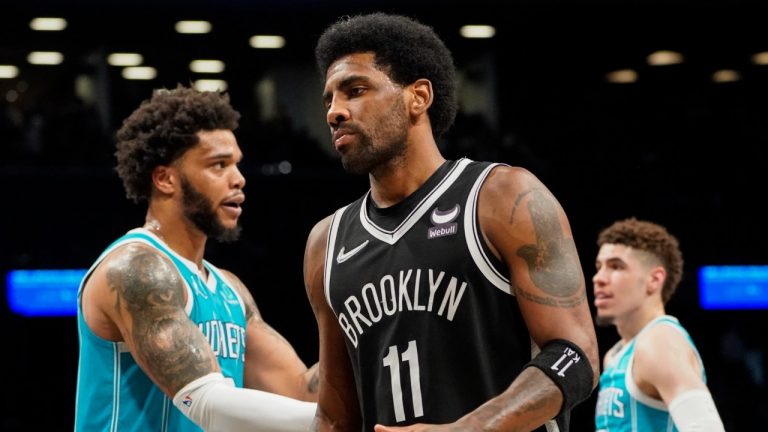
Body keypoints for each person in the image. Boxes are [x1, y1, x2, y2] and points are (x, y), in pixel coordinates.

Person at [303, 13, 599, 431]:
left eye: (355, 90)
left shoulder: (501, 196)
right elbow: (335, 416)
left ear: (418, 97)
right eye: (328, 99)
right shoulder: (326, 242)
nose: (334, 112)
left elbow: (576, 355)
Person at [74, 85, 318, 431]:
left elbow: (299, 390)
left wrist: (372, 342)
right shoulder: (135, 270)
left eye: (236, 164)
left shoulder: (229, 289)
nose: (239, 179)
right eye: (218, 165)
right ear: (165, 178)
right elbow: (208, 402)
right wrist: (333, 424)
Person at [592, 218, 725, 431]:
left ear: (654, 279)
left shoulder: (659, 343)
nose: (598, 278)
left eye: (616, 267)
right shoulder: (615, 355)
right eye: (599, 267)